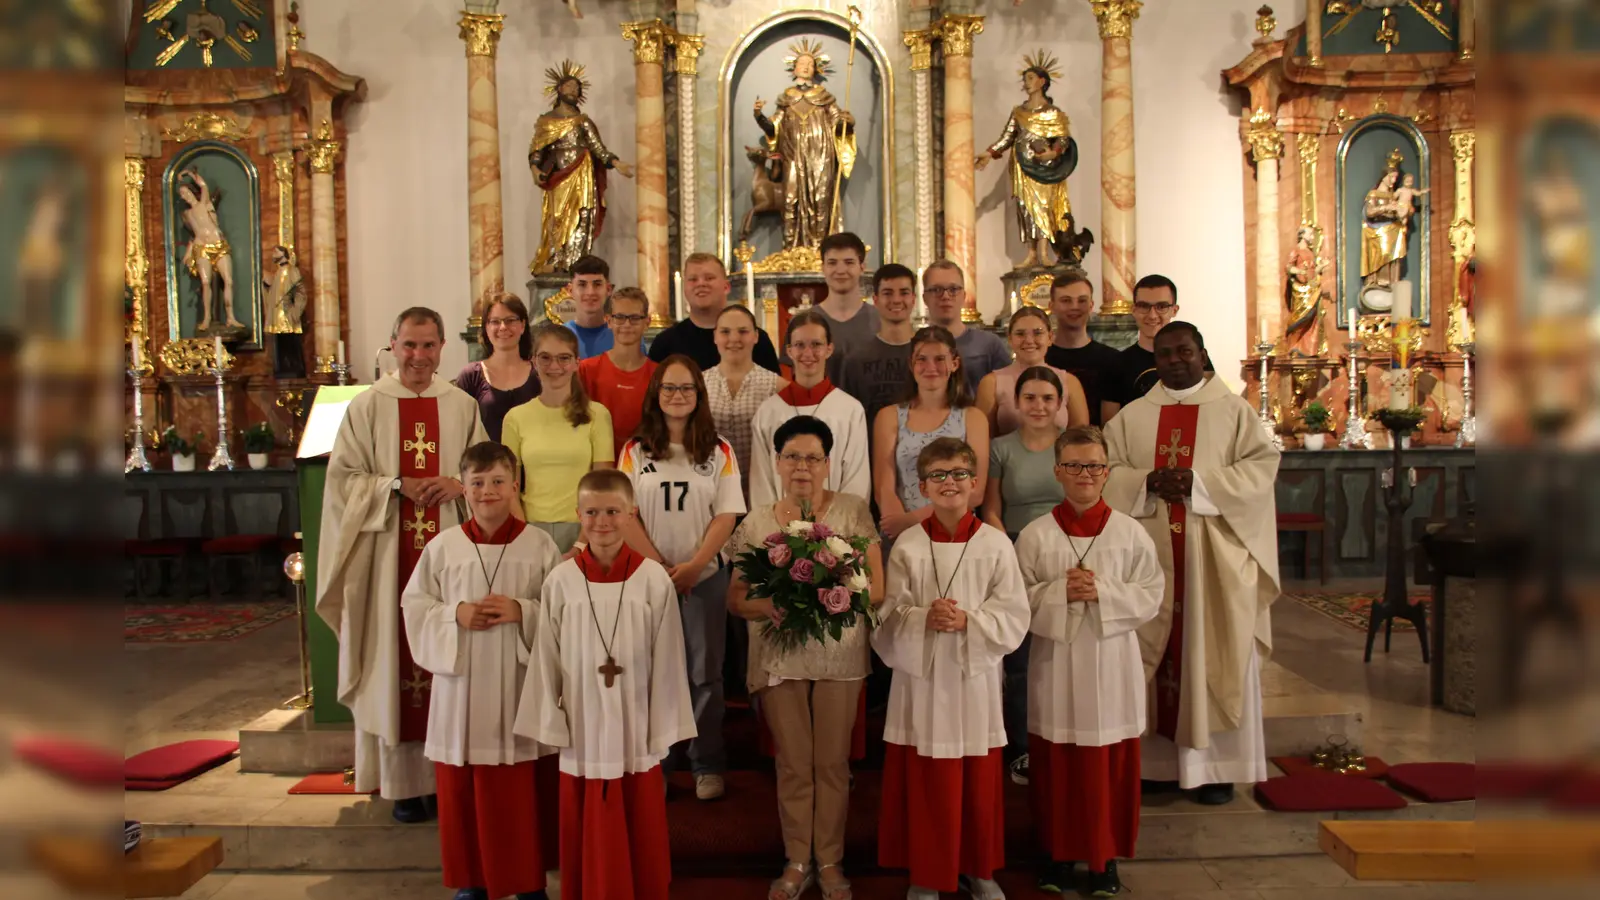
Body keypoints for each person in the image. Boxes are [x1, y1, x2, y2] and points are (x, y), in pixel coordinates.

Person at [315, 307, 485, 823]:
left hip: (449, 554)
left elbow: (483, 470)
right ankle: (403, 785)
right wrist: (394, 484)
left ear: (442, 349)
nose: (419, 356)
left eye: (429, 345)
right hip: (387, 553)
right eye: (409, 345)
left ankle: (447, 780)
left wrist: (459, 485)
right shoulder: (367, 406)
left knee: (449, 658)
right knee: (392, 659)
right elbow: (343, 480)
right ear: (392, 346)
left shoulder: (460, 406)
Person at [1102, 322, 1280, 806]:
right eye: (1165, 354)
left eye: (1184, 351)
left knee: (1212, 654)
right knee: (1151, 661)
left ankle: (1217, 768)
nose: (1176, 360)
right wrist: (1148, 481)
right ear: (1153, 360)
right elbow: (1107, 472)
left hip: (1213, 563)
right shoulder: (1132, 418)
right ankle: (1155, 767)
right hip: (1149, 561)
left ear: (1202, 354)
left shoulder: (1235, 413)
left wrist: (1199, 484)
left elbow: (1260, 471)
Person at [513, 470, 694, 900]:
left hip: (635, 717)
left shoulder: (652, 579)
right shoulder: (561, 580)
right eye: (592, 512)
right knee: (585, 811)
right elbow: (545, 658)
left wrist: (662, 722)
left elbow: (669, 657)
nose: (602, 521)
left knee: (639, 811)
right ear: (578, 515)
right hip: (583, 717)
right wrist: (551, 720)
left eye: (613, 511)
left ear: (632, 514)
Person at [726, 416, 885, 900]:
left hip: (839, 656)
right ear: (776, 462)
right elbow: (735, 599)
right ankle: (798, 860)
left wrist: (826, 596)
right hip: (779, 656)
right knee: (794, 763)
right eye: (792, 457)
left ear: (827, 464)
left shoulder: (854, 511)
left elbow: (876, 591)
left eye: (812, 458)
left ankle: (831, 862)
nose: (802, 467)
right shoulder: (756, 521)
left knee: (832, 764)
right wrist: (773, 604)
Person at [401, 442, 564, 900]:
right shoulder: (443, 547)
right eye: (477, 483)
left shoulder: (540, 545)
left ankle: (528, 881)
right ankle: (471, 881)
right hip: (463, 690)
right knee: (463, 789)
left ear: (515, 485)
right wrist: (455, 614)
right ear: (463, 489)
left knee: (519, 791)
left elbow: (559, 611)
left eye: (497, 482)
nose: (488, 492)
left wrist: (522, 611)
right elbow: (414, 605)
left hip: (516, 687)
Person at [874, 438, 1029, 900]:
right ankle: (927, 874)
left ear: (976, 483)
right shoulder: (908, 544)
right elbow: (887, 616)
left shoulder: (996, 544)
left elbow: (1016, 614)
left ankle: (980, 869)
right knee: (926, 784)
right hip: (920, 682)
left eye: (959, 473)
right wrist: (924, 617)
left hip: (972, 680)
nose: (950, 483)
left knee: (978, 783)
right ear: (922, 486)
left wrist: (968, 621)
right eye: (938, 475)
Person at [1014, 426, 1165, 898]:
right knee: (1058, 763)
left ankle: (1105, 859)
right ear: (1058, 471)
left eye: (1095, 466)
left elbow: (1151, 594)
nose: (1085, 475)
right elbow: (1016, 601)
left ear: (1106, 472)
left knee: (1108, 766)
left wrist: (1103, 590)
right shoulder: (1036, 536)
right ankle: (1057, 856)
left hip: (1110, 664)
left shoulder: (1131, 532)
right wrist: (1060, 591)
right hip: (1056, 665)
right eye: (1075, 466)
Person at [617, 356, 745, 801]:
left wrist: (692, 568)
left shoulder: (719, 450)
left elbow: (726, 514)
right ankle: (659, 760)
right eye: (669, 388)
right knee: (653, 670)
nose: (677, 396)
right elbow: (625, 514)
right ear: (656, 394)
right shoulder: (635, 450)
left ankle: (706, 762)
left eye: (687, 388)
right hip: (649, 577)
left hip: (705, 576)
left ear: (698, 395)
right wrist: (658, 568)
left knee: (704, 673)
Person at [980, 365, 1069, 785]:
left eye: (1047, 398)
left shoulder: (1070, 448)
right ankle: (1021, 749)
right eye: (1030, 398)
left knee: (1064, 653)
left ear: (1060, 404)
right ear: (1016, 403)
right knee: (1020, 659)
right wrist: (1009, 553)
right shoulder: (1000, 448)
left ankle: (1065, 742)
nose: (1038, 406)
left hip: (1066, 550)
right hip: (1015, 548)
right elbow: (991, 508)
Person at [501, 325, 614, 553]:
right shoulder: (515, 418)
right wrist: (525, 535)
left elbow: (602, 487)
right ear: (534, 361)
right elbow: (509, 487)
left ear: (576, 363)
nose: (554, 367)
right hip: (530, 528)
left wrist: (581, 544)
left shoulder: (597, 415)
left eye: (564, 358)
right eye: (545, 358)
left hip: (585, 528)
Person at [872, 326, 989, 541]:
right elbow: (884, 487)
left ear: (954, 363)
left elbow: (976, 492)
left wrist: (913, 520)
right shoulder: (889, 416)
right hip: (901, 532)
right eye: (921, 359)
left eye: (939, 359)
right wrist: (898, 525)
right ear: (911, 364)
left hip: (956, 531)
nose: (930, 367)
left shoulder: (973, 418)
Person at [751, 310, 870, 508]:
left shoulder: (850, 410)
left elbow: (857, 479)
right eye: (799, 345)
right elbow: (760, 483)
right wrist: (775, 532)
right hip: (779, 532)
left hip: (836, 532)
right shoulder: (768, 412)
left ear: (829, 349)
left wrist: (838, 531)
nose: (808, 353)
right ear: (789, 351)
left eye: (816, 345)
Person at [705, 304, 786, 504]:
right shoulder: (698, 384)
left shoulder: (777, 386)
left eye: (743, 331)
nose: (734, 339)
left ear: (755, 336)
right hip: (710, 494)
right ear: (715, 337)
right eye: (725, 332)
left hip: (761, 497)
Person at [649, 252, 781, 373]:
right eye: (693, 279)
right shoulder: (665, 343)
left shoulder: (753, 339)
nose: (701, 284)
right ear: (685, 288)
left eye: (709, 278)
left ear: (726, 287)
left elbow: (774, 393)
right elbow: (653, 395)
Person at [1104, 275, 1211, 422]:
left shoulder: (1194, 358)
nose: (1152, 315)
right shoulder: (1116, 364)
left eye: (1161, 307)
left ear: (1174, 310)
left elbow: (1212, 409)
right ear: (1134, 310)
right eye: (1144, 306)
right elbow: (1110, 427)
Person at [975, 306, 1089, 436]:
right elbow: (984, 439)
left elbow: (1081, 438)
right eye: (1020, 334)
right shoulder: (991, 383)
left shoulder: (1069, 382)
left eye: (1038, 333)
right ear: (1010, 340)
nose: (1029, 341)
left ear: (1050, 338)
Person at [578, 286, 657, 458]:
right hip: (598, 468)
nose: (627, 324)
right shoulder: (587, 370)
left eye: (635, 318)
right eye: (620, 317)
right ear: (609, 321)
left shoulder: (659, 374)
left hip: (646, 467)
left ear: (647, 322)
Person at [834, 263, 917, 427]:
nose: (896, 300)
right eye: (888, 293)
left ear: (913, 299)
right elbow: (846, 417)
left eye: (904, 293)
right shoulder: (855, 359)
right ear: (876, 300)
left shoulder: (928, 356)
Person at [455, 293, 541, 443]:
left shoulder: (540, 374)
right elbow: (460, 430)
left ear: (522, 325)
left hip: (533, 464)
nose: (503, 327)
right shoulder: (470, 376)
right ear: (486, 328)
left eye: (510, 320)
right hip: (485, 464)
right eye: (495, 321)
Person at [1043, 269, 1122, 426]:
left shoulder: (1112, 359)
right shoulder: (1042, 357)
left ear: (1091, 305)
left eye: (1082, 300)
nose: (1075, 307)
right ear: (1052, 306)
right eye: (1066, 300)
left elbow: (1110, 425)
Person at [921, 261, 1011, 395]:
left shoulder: (990, 345)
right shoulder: (916, 346)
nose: (945, 296)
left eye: (953, 289)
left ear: (963, 295)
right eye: (936, 290)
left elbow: (1007, 394)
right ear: (925, 298)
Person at [810, 232, 880, 384]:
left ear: (862, 267)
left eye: (849, 262)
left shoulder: (881, 320)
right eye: (832, 263)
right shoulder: (805, 322)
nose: (840, 270)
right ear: (823, 268)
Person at [565, 255, 627, 359]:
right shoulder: (560, 338)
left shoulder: (626, 336)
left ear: (608, 289)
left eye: (597, 284)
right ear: (570, 290)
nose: (590, 292)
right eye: (582, 285)